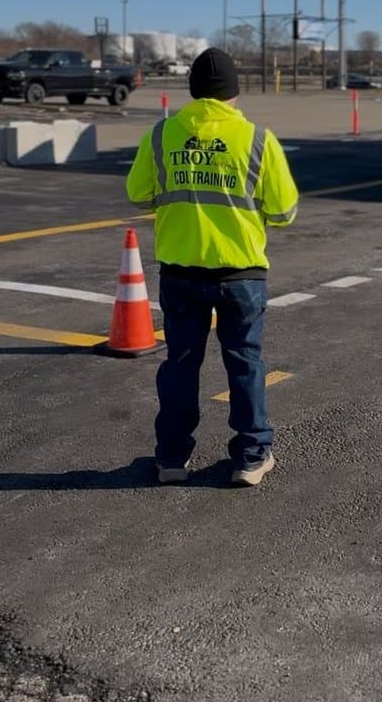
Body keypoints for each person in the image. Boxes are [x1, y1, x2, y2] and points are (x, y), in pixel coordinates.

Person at [126, 47, 298, 488]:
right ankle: (251, 457)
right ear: (233, 95)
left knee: (181, 365)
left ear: (194, 92)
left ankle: (171, 459)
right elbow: (284, 211)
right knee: (245, 363)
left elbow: (138, 194)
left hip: (181, 272)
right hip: (241, 274)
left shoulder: (163, 135)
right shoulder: (258, 139)